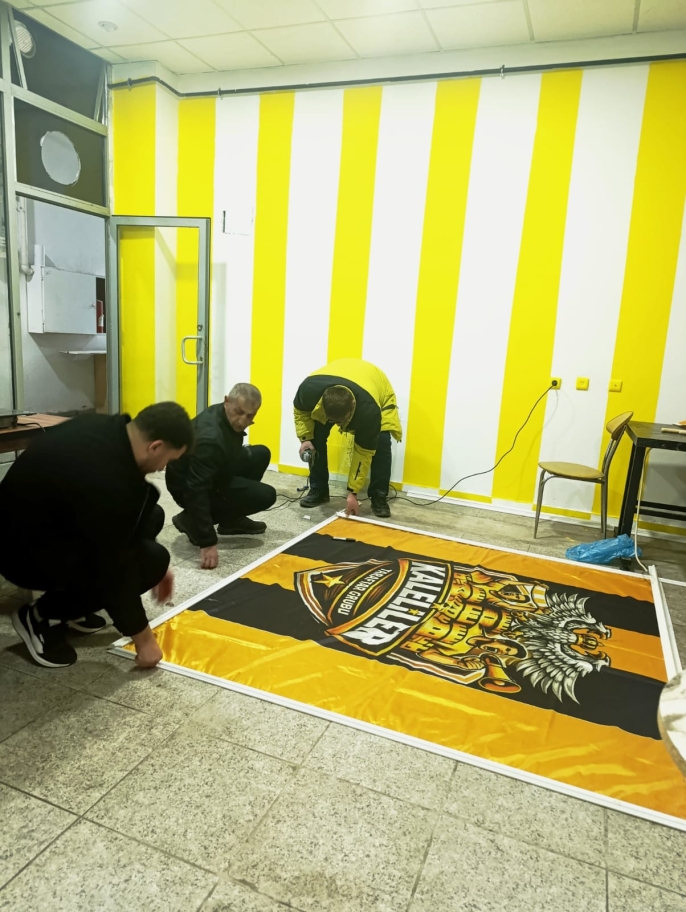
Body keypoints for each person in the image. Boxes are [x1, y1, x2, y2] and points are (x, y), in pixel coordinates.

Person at [0, 402, 193, 670]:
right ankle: (42, 616)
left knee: (152, 516)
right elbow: (114, 568)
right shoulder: (107, 481)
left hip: (36, 524)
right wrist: (144, 640)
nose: (162, 469)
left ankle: (72, 605)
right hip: (20, 554)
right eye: (168, 461)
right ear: (155, 447)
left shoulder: (106, 429)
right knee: (151, 562)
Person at [166, 383, 276, 570]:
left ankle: (231, 521)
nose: (242, 421)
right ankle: (190, 521)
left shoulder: (221, 414)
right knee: (266, 495)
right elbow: (196, 489)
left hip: (207, 470)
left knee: (260, 454)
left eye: (250, 416)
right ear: (227, 401)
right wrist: (207, 541)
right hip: (187, 487)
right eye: (238, 412)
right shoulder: (210, 439)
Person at [293, 358, 402, 518]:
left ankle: (378, 496)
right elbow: (301, 412)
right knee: (314, 438)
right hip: (333, 379)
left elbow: (363, 453)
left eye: (342, 421)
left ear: (352, 405)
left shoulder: (368, 411)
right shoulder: (308, 391)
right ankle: (319, 490)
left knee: (381, 441)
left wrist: (353, 493)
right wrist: (305, 439)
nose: (338, 425)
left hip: (376, 386)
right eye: (333, 421)